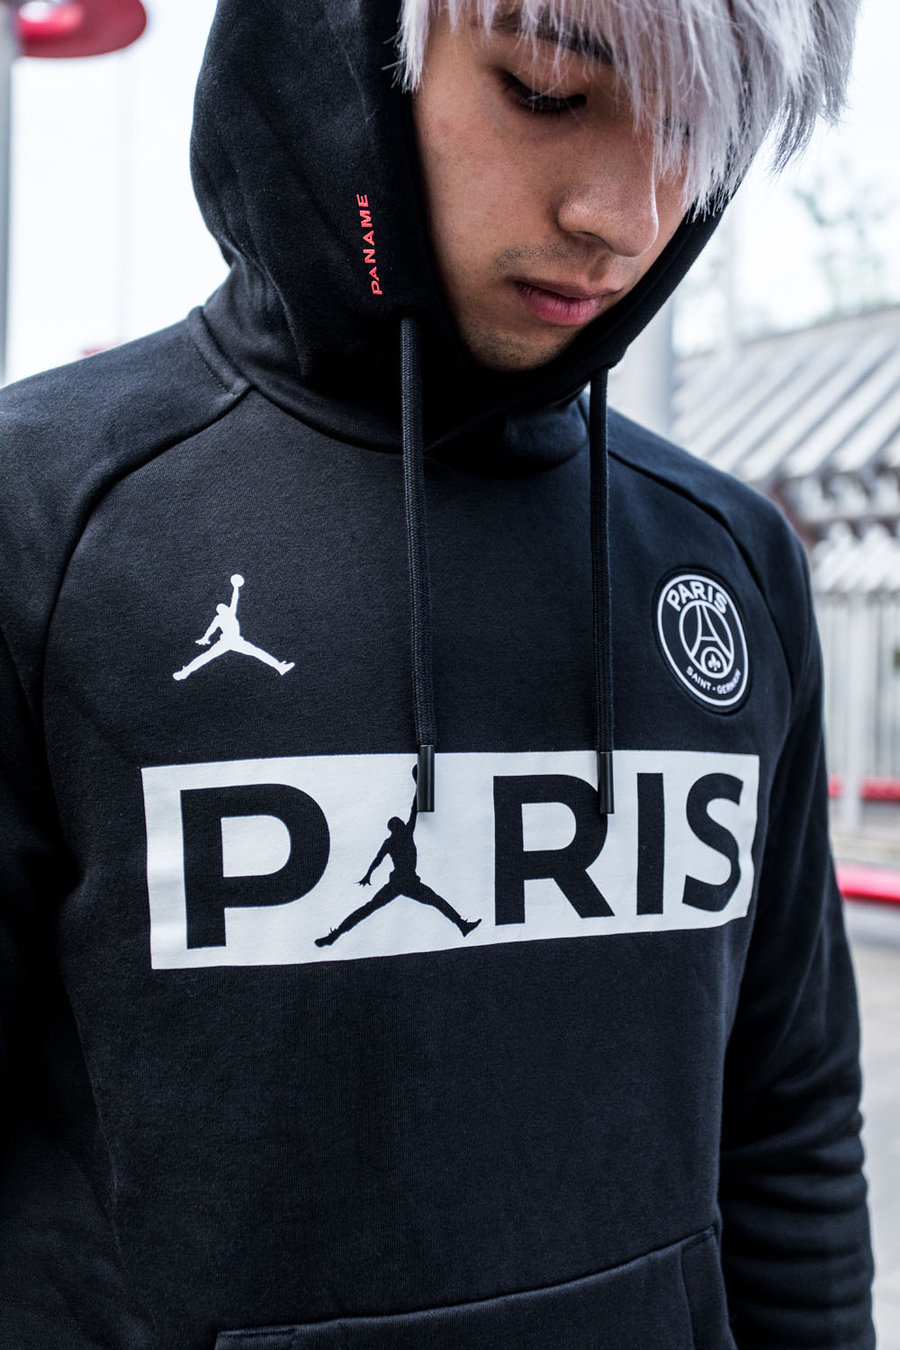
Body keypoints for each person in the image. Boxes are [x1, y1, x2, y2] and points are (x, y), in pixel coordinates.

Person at [0, 0, 874, 1347]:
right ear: (341, 51)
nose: (623, 214)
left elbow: (788, 1119)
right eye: (547, 90)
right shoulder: (47, 518)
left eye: (694, 133)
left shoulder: (730, 559)